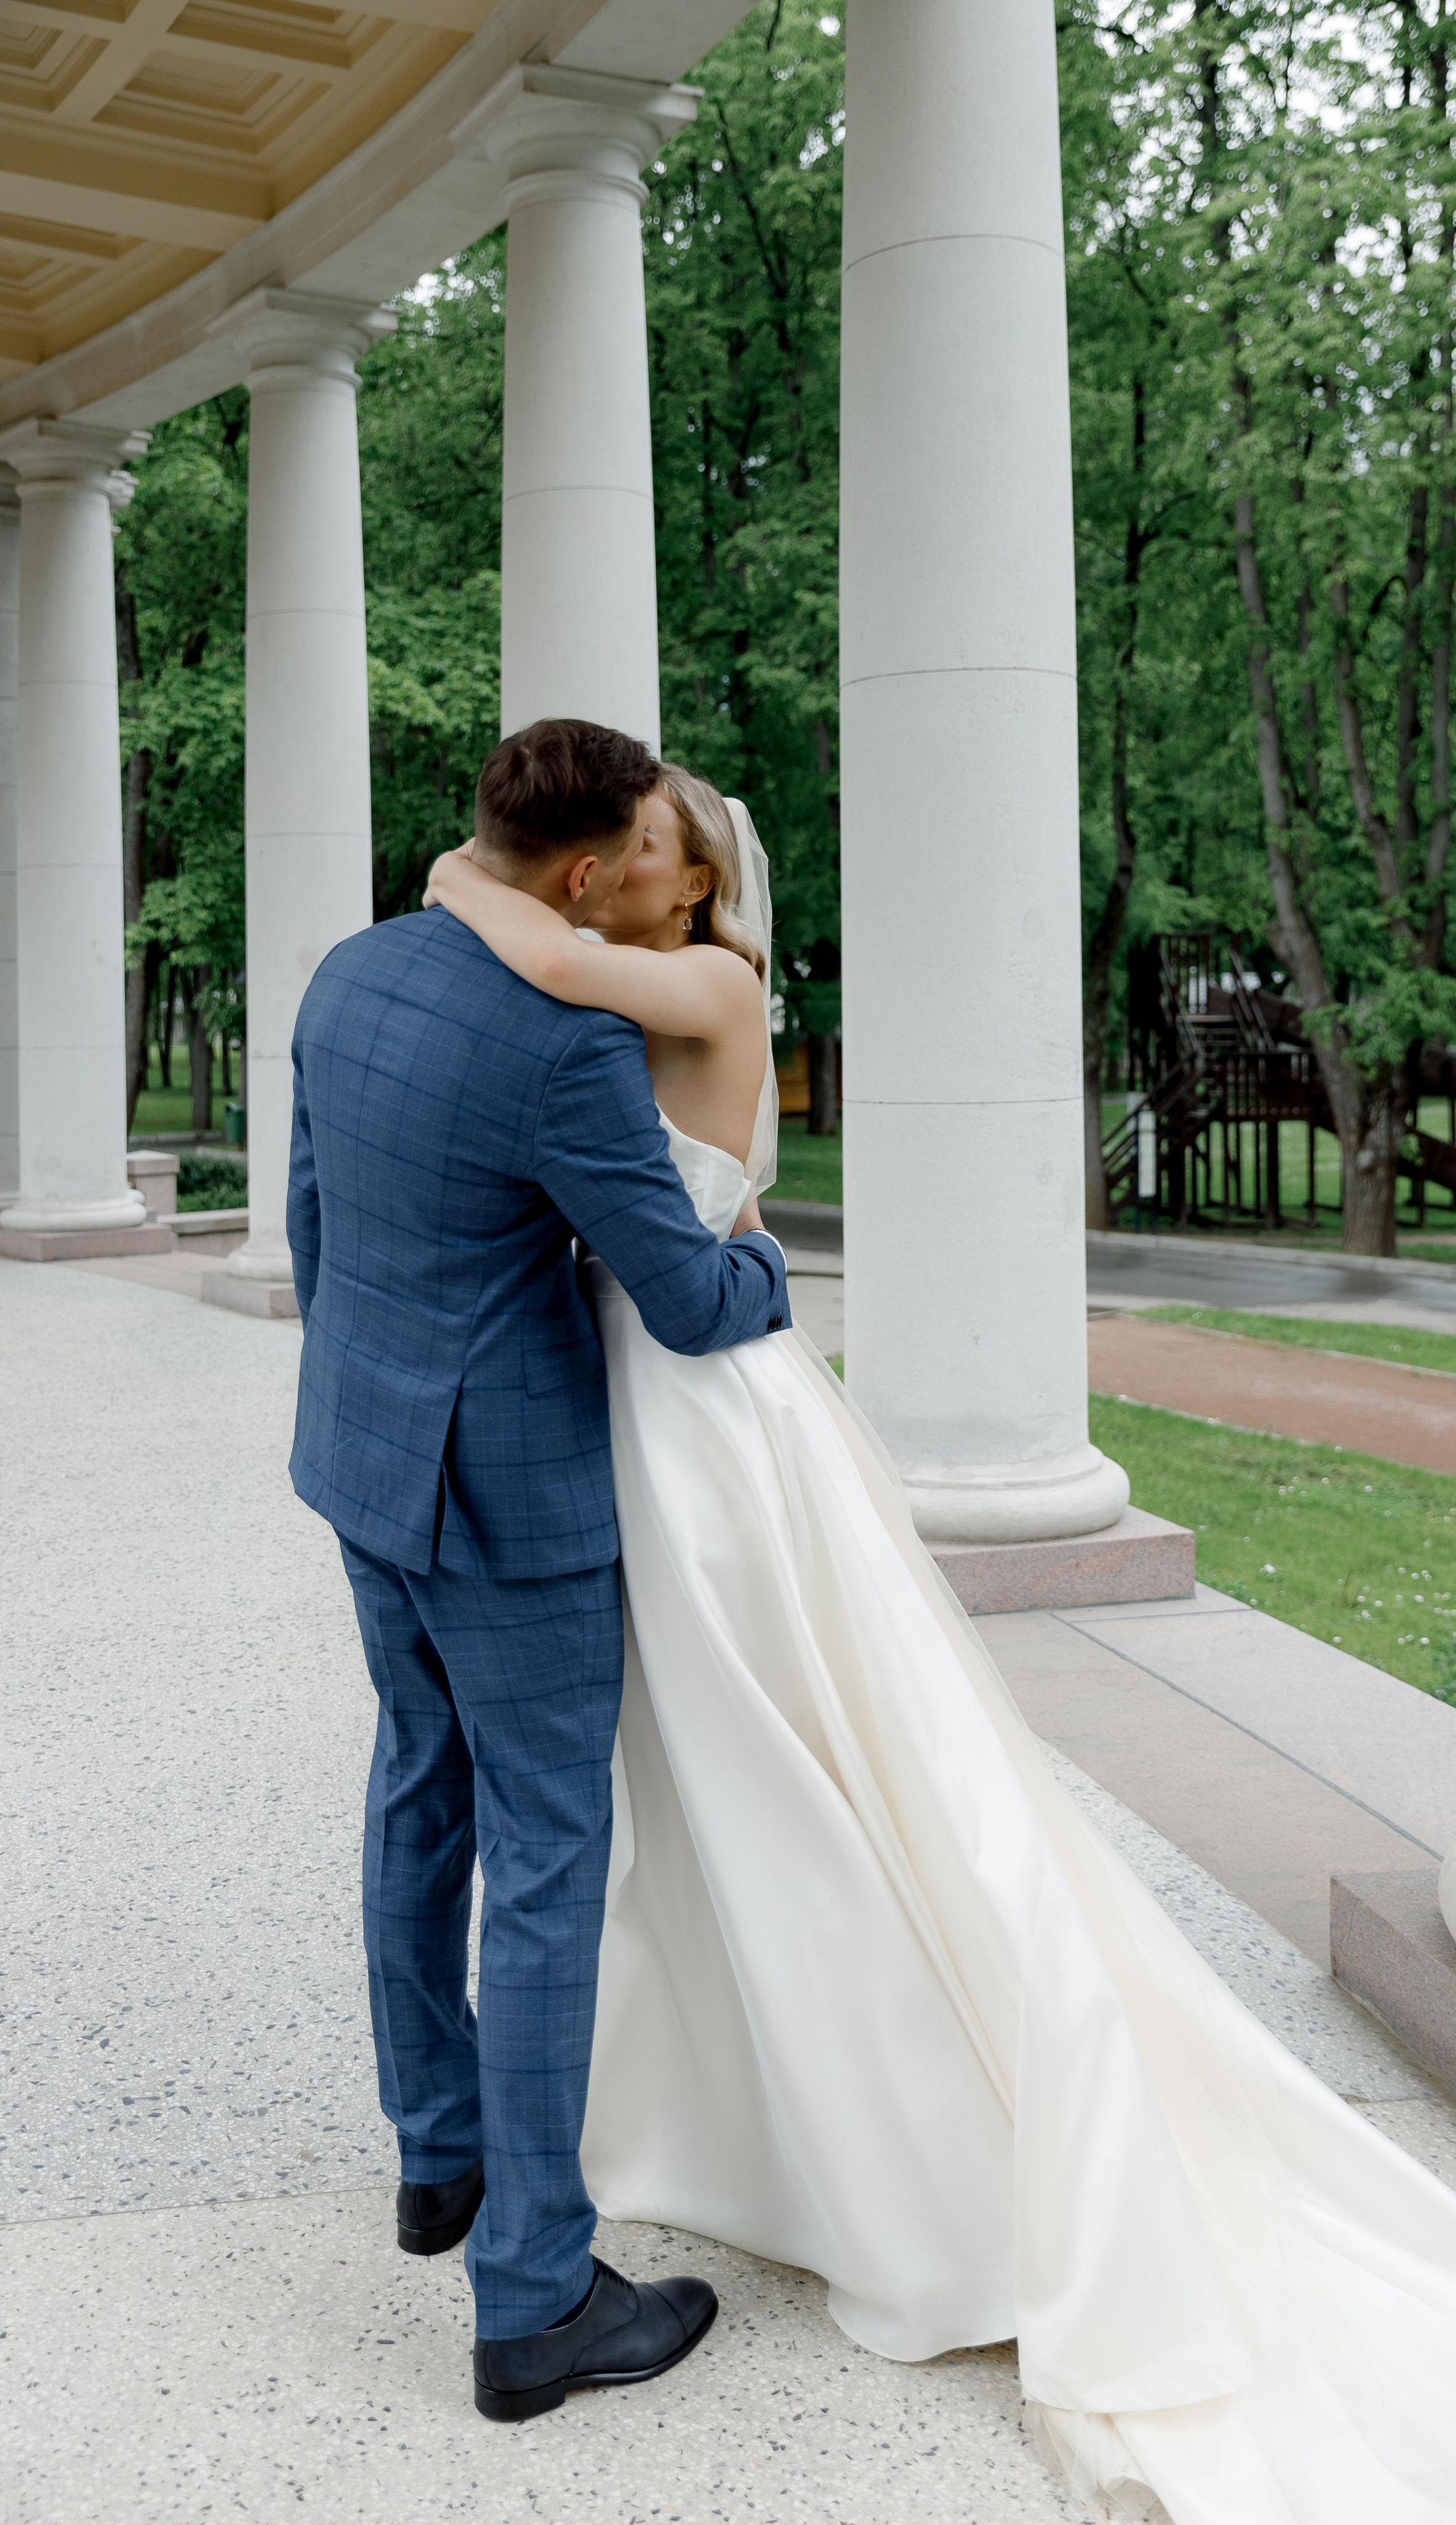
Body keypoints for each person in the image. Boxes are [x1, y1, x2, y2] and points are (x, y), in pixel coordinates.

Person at [422, 762, 1456, 2525]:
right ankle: (755, 2100)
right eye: (612, 852)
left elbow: (542, 974)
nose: (615, 872)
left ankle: (912, 2139)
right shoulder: (638, 961)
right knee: (710, 1773)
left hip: (707, 1424)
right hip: (650, 1389)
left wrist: (463, 873)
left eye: (648, 855)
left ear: (697, 890)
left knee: (792, 1763)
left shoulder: (703, 981)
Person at [286, 719, 790, 2422]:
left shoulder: (350, 974)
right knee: (552, 1856)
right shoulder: (567, 1046)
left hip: (360, 1459)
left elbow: (314, 1233)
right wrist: (772, 1280)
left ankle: (441, 2165)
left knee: (417, 1790)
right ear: (583, 875)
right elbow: (686, 1294)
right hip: (508, 1505)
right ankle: (535, 2299)